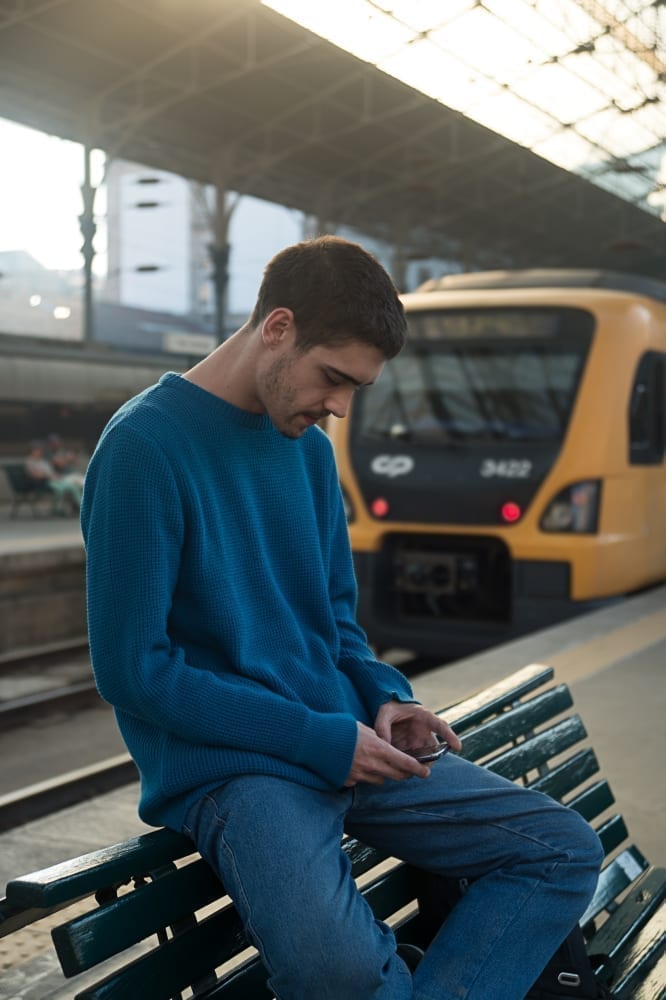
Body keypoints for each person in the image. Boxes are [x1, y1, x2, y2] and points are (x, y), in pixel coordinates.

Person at [81, 236, 603, 1000]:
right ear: (277, 327)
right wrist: (317, 737)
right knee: (343, 975)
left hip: (349, 738)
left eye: (357, 388)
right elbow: (134, 671)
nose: (340, 406)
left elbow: (334, 621)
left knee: (562, 848)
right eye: (333, 378)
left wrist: (386, 694)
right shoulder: (143, 449)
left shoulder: (309, 452)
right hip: (239, 770)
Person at [24, 440, 82, 514]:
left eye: (39, 451)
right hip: (44, 482)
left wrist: (55, 475)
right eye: (36, 451)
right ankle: (56, 509)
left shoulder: (43, 461)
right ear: (32, 451)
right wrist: (48, 476)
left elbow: (50, 471)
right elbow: (34, 474)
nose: (39, 452)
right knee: (60, 490)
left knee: (74, 487)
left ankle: (81, 507)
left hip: (55, 479)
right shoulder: (29, 461)